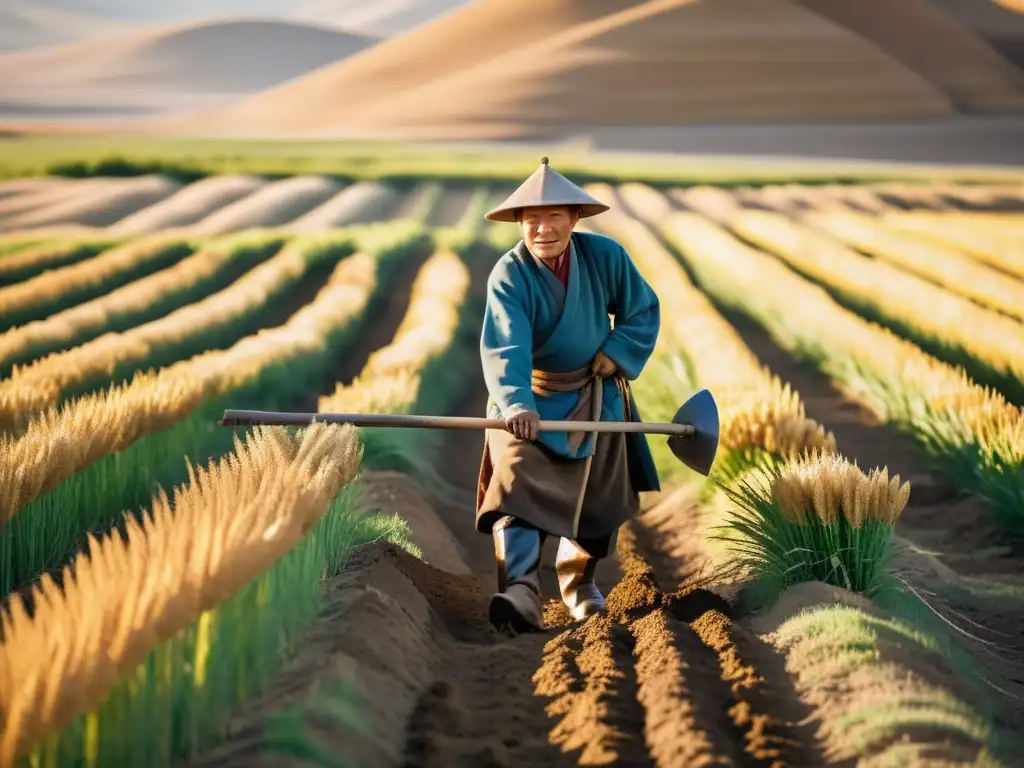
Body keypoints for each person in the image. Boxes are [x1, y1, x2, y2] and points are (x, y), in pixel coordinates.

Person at [475, 157, 661, 633]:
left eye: (554, 217)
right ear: (519, 223)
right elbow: (505, 345)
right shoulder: (509, 275)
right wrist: (517, 405)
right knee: (515, 479)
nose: (543, 229)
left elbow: (642, 310)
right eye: (532, 219)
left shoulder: (605, 257)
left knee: (599, 494)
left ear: (574, 219)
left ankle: (579, 585)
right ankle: (520, 590)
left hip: (594, 396)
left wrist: (617, 351)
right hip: (528, 400)